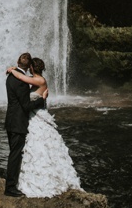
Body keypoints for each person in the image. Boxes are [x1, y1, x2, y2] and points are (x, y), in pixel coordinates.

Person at [5, 57, 82, 197]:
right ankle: (22, 180)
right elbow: (24, 77)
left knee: (39, 148)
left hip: (36, 117)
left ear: (32, 68)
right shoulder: (31, 77)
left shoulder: (39, 80)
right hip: (30, 118)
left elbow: (22, 77)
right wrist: (14, 70)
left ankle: (39, 179)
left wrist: (13, 70)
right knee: (31, 149)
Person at [4, 52, 33, 197]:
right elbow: (26, 105)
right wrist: (42, 100)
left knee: (13, 153)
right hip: (18, 122)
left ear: (18, 62)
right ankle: (10, 188)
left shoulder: (11, 76)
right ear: (29, 66)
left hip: (10, 120)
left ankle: (13, 183)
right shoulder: (21, 81)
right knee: (15, 155)